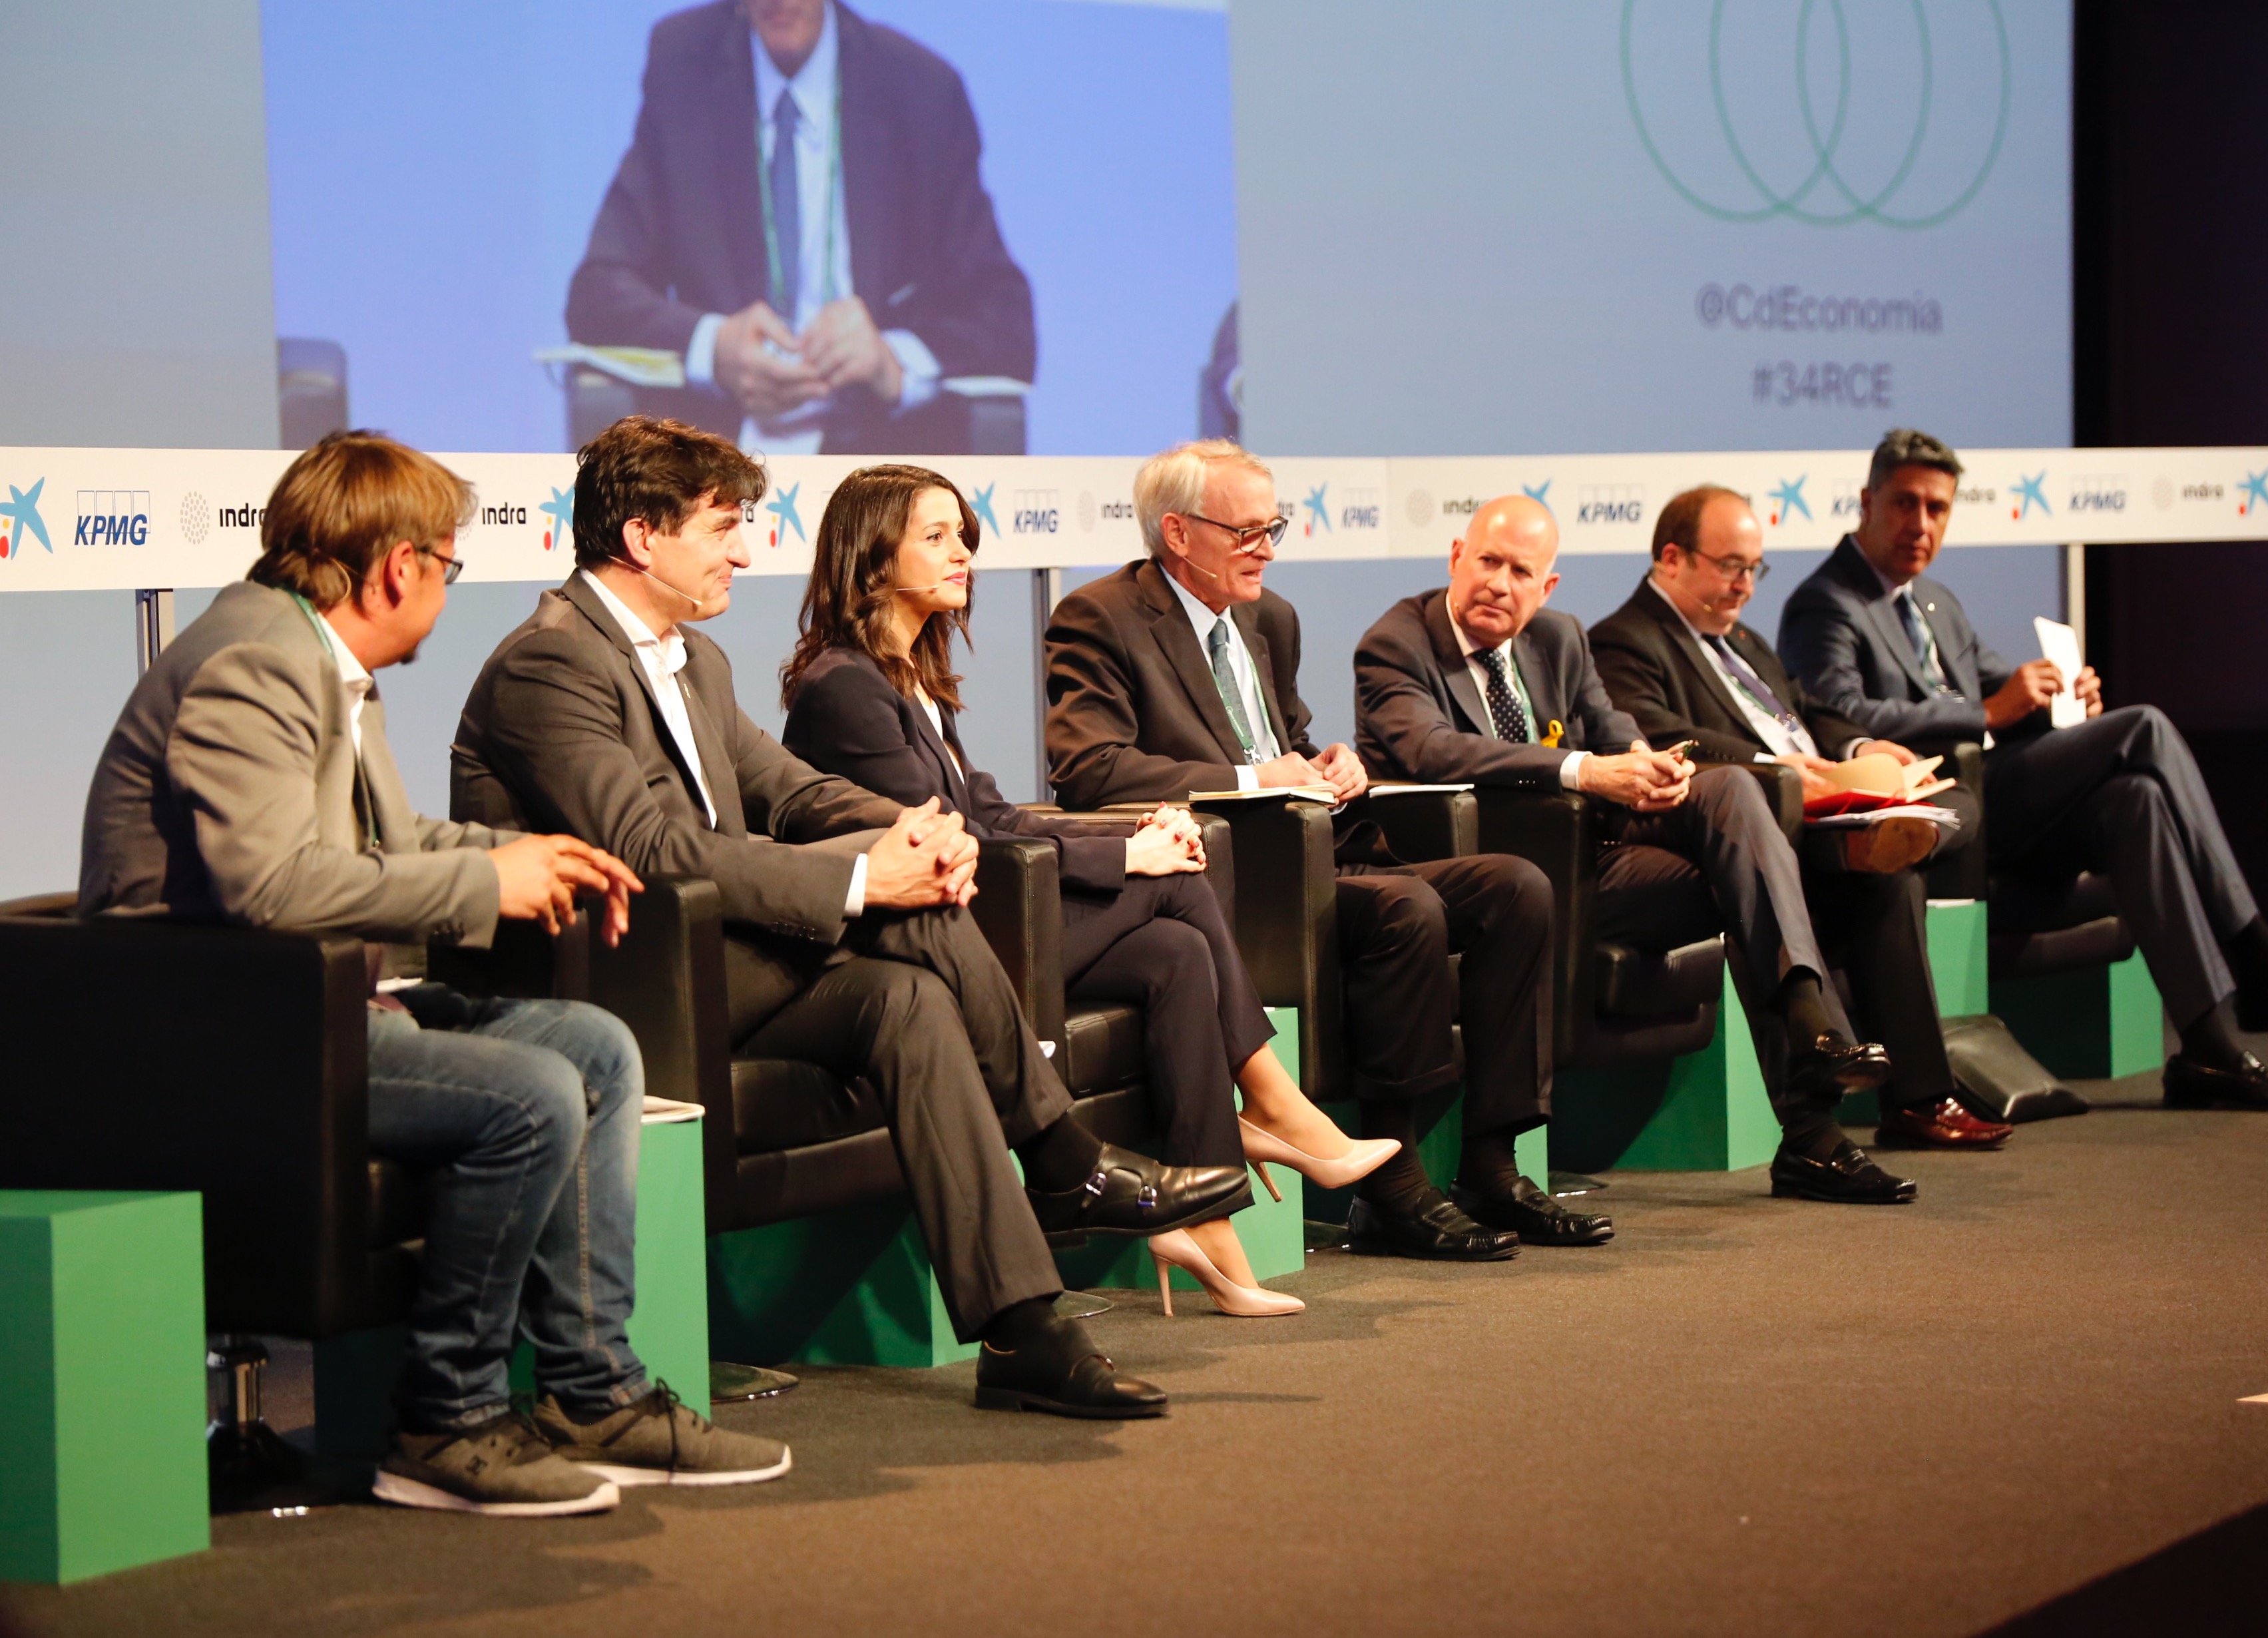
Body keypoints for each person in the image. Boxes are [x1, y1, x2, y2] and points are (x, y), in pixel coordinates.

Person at [452, 417, 1245, 1418]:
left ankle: (1024, 1330)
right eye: (722, 528)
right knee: (905, 917)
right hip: (616, 981)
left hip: (720, 961)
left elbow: (792, 791)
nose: (745, 549)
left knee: (907, 1001)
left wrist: (917, 828)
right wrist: (867, 881)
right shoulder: (551, 664)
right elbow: (651, 855)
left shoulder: (693, 662)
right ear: (644, 537)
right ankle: (1063, 1162)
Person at [79, 431, 790, 1515]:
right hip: (214, 1038)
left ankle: (592, 1391)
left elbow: (382, 835)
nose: (449, 594)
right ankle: (444, 1418)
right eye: (449, 570)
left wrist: (516, 859)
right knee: (530, 1093)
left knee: (594, 1049)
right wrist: (481, 888)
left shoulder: (315, 655)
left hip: (300, 1007)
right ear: (400, 567)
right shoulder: (257, 662)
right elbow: (269, 886)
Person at [778, 463, 1399, 1315]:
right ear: (870, 557)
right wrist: (1125, 859)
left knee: (1175, 950)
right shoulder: (844, 687)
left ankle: (1208, 1218)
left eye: (964, 535)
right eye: (936, 537)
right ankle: (1278, 1106)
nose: (963, 553)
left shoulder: (910, 675)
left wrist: (1131, 835)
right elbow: (951, 839)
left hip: (994, 911)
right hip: (937, 941)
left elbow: (992, 810)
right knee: (1177, 892)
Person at [1044, 439, 1601, 1258]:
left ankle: (1493, 1159)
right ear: (1177, 532)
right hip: (1242, 877)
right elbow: (1090, 768)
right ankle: (1393, 1187)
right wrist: (1248, 775)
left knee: (1516, 887)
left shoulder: (1270, 619)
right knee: (1404, 909)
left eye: (1274, 527)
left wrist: (1334, 763)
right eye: (1247, 532)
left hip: (1330, 846)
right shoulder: (1101, 616)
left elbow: (1290, 741)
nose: (1267, 547)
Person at [1348, 494, 1969, 1211]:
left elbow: (1616, 731)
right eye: (1487, 561)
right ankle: (1812, 1108)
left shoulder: (1559, 638)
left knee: (1732, 793)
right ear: (1456, 557)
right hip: (1495, 876)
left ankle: (1809, 1036)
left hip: (1596, 860)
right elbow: (1429, 748)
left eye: (1521, 571)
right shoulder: (1399, 638)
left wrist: (1649, 767)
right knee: (1758, 882)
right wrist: (1587, 770)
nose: (1499, 583)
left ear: (1546, 587)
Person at [1778, 428, 2268, 1111]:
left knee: (2133, 799)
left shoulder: (1935, 603)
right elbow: (1836, 712)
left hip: (2001, 790)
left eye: (1938, 509)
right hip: (1947, 808)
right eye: (1904, 504)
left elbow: (2003, 690)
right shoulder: (1826, 602)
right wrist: (1989, 712)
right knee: (2146, 727)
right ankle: (2258, 955)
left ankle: (2210, 1051)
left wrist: (2058, 700)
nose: (1921, 525)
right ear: (1867, 502)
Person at [1578, 485, 2008, 1153]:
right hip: (1762, 827)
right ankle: (1865, 855)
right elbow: (1655, 734)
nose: (1746, 585)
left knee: (1928, 841)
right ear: (1672, 558)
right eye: (1731, 567)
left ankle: (1920, 1099)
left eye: (1756, 569)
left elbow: (1807, 710)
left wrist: (1860, 750)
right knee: (1872, 867)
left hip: (1823, 808)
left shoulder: (1745, 640)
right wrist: (1777, 768)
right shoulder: (1623, 640)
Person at [565, 0, 1033, 455]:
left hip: (877, 458)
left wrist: (893, 362)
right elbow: (597, 293)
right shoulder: (685, 65)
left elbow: (1006, 322)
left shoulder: (918, 90)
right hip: (716, 453)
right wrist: (714, 346)